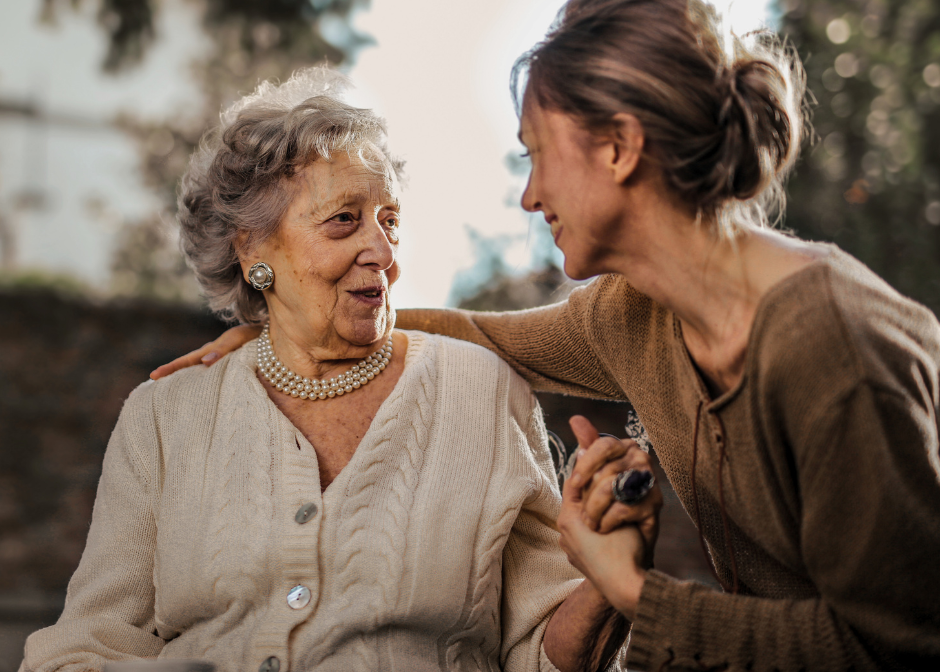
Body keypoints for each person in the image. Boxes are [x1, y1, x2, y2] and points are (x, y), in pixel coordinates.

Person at [158, 0, 940, 671]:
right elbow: (481, 335)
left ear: (620, 148)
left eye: (537, 155)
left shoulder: (832, 348)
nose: (530, 196)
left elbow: (896, 645)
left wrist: (631, 589)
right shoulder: (634, 314)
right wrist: (291, 329)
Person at [21, 68, 635, 672]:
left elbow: (542, 655)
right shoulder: (163, 416)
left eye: (389, 220)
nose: (385, 252)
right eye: (344, 219)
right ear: (252, 247)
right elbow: (89, 642)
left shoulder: (483, 392)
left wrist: (608, 584)